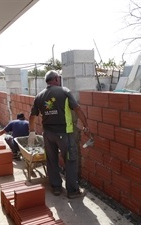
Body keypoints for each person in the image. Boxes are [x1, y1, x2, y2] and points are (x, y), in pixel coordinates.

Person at [28, 70, 90, 199]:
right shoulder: (64, 91)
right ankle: (72, 191)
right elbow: (77, 109)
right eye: (59, 78)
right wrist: (86, 125)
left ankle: (56, 187)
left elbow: (32, 116)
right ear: (56, 79)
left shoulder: (39, 96)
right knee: (70, 160)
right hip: (64, 133)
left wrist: (32, 132)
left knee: (51, 161)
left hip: (48, 134)